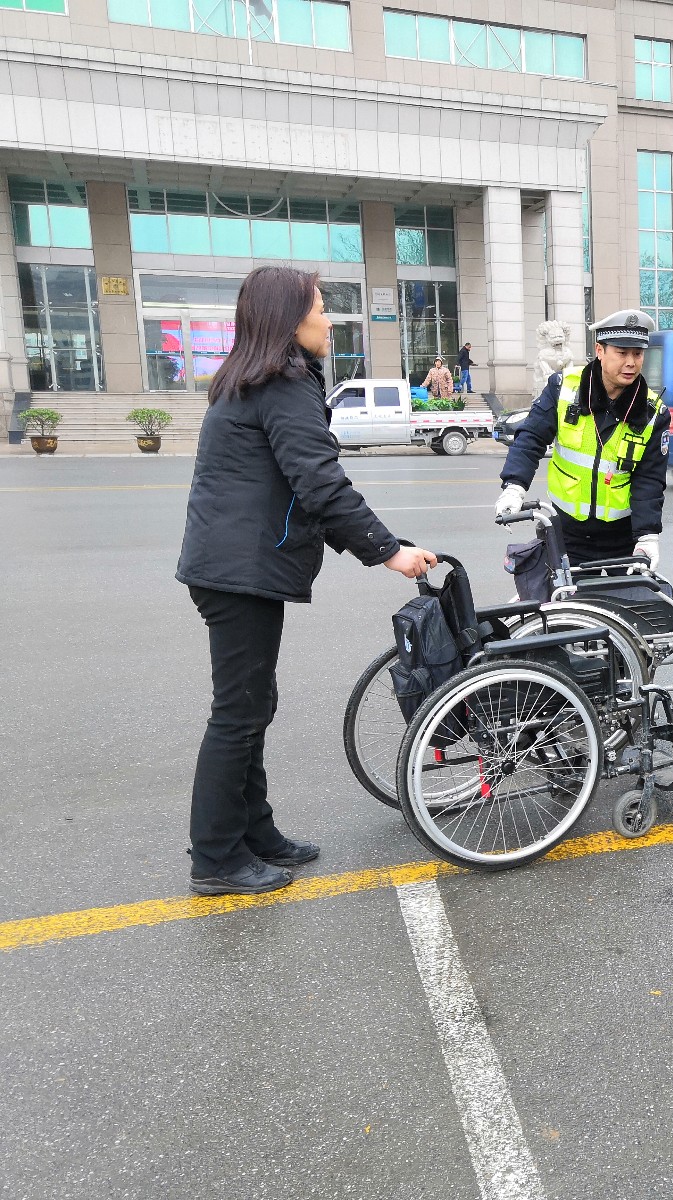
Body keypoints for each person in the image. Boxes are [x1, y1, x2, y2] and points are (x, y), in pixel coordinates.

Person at [176, 266, 437, 897]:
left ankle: (254, 832)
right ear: (289, 319)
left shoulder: (251, 379)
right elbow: (320, 483)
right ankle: (216, 857)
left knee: (253, 704)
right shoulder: (282, 383)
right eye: (320, 308)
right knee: (238, 712)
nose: (329, 320)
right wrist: (388, 552)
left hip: (231, 567)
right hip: (240, 572)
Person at [495, 310, 669, 568]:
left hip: (623, 538)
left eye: (638, 354)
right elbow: (531, 438)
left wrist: (647, 536)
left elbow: (649, 479)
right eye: (622, 353)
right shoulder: (563, 388)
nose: (631, 362)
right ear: (600, 350)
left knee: (635, 595)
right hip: (567, 534)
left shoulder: (653, 412)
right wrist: (514, 487)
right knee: (561, 594)